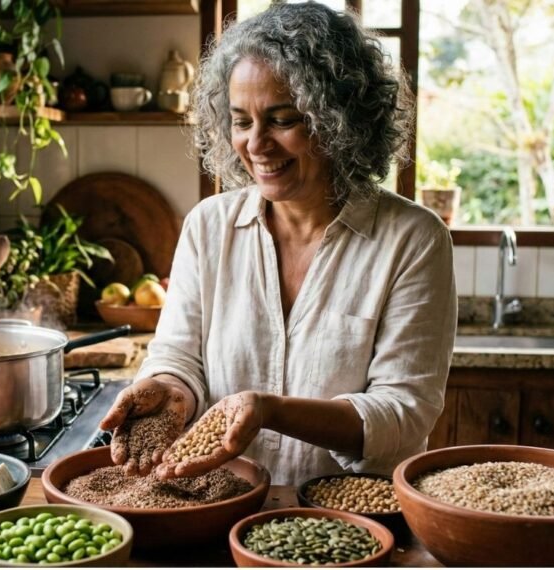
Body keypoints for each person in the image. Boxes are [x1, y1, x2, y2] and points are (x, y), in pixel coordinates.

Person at [100, 1, 457, 486]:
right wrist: (167, 390)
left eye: (283, 119)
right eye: (241, 121)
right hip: (221, 503)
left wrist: (268, 410)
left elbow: (403, 412)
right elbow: (179, 357)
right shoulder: (209, 227)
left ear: (340, 120)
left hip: (351, 524)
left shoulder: (412, 239)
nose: (256, 144)